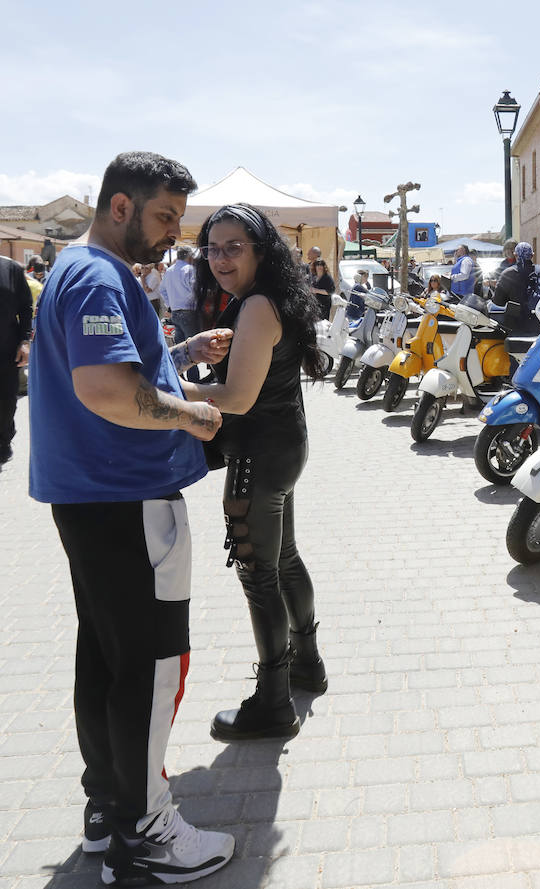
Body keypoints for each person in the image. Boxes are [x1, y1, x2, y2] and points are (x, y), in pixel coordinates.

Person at [26, 150, 235, 884]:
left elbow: (110, 372)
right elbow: (109, 391)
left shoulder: (82, 272)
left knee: (106, 658)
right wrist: (194, 413)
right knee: (148, 666)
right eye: (165, 216)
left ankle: (106, 804)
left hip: (96, 498)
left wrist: (175, 352)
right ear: (121, 207)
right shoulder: (96, 274)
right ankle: (145, 830)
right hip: (126, 499)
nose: (175, 235)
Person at [191, 203, 330, 742]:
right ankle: (306, 664)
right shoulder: (271, 298)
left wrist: (165, 391)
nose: (221, 258)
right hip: (283, 448)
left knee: (260, 577)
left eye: (234, 247)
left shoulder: (255, 307)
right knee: (285, 559)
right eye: (213, 247)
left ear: (259, 250)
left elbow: (237, 399)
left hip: (257, 455)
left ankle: (273, 702)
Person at [1, 255, 32, 466]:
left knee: (6, 400)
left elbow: (26, 307)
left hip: (6, 350)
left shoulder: (10, 268)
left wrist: (25, 341)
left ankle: (3, 441)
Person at [487, 242, 540, 336]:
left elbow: (498, 301)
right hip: (539, 322)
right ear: (532, 255)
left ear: (515, 255)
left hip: (515, 324)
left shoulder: (508, 273)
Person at [160, 246, 199, 345]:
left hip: (175, 312)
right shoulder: (189, 269)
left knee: (180, 345)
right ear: (189, 256)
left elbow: (162, 290)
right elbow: (195, 289)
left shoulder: (169, 270)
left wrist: (170, 305)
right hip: (189, 311)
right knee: (193, 344)